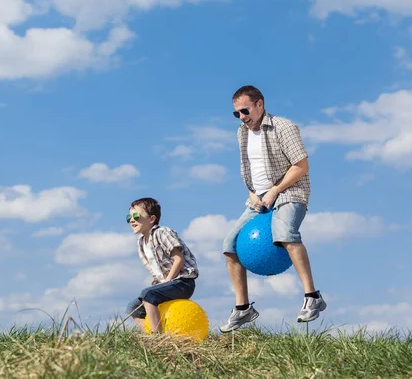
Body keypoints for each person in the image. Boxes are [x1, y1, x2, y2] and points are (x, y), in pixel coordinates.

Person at [220, 85, 326, 333]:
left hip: (290, 192)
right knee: (230, 246)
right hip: (258, 199)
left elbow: (301, 166)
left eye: (245, 110)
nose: (242, 117)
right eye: (236, 113)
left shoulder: (283, 127)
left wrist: (275, 191)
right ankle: (243, 308)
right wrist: (252, 194)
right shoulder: (242, 133)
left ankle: (313, 297)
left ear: (260, 104)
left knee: (284, 234)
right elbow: (249, 170)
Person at [125, 197, 199, 333]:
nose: (131, 220)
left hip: (183, 283)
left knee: (147, 295)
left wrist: (167, 281)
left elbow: (179, 259)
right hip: (168, 283)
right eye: (128, 217)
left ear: (152, 219)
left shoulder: (162, 233)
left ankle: (157, 337)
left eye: (136, 215)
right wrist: (159, 283)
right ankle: (148, 335)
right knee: (133, 307)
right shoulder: (141, 243)